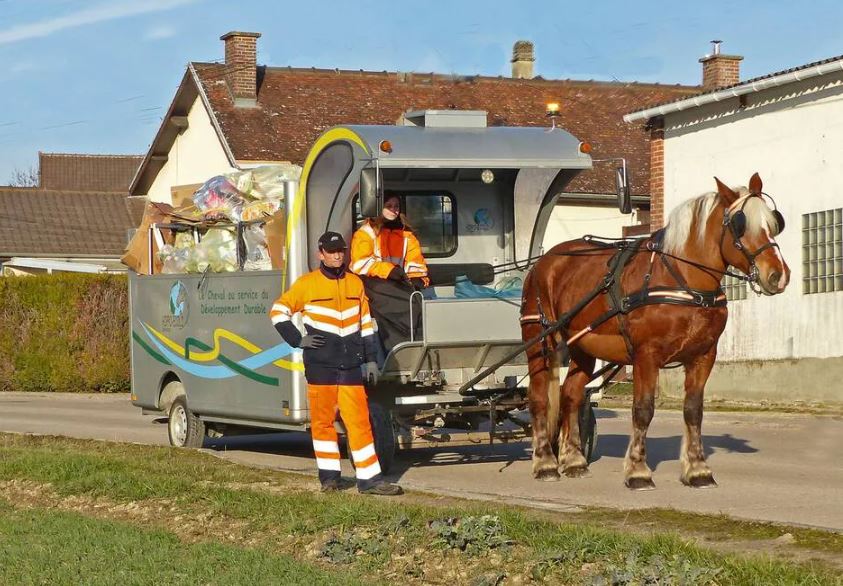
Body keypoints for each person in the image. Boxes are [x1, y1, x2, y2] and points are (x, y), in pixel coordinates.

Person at [270, 231, 402, 496]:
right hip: (321, 366)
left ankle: (370, 480)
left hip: (352, 366)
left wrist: (372, 361)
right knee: (323, 424)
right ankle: (330, 479)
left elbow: (366, 325)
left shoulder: (355, 284)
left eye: (340, 251)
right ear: (321, 254)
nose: (337, 255)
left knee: (360, 422)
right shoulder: (307, 284)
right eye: (331, 251)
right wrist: (298, 340)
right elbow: (278, 311)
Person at [350, 193, 429, 352]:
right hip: (371, 283)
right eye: (389, 206)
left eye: (396, 206)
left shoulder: (407, 235)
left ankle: (415, 346)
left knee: (417, 301)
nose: (394, 210)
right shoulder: (366, 233)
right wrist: (389, 270)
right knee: (403, 305)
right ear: (379, 207)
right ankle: (400, 349)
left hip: (397, 281)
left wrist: (417, 279)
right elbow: (360, 263)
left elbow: (415, 262)